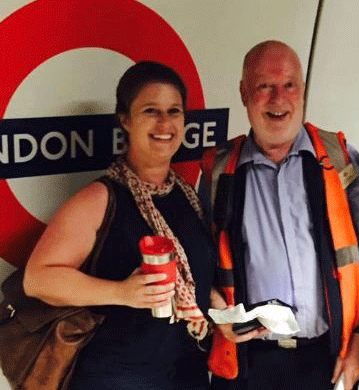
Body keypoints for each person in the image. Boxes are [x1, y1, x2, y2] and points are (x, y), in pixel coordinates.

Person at [200, 40, 359, 390]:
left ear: (302, 90)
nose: (277, 99)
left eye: (288, 85)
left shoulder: (341, 159)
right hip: (248, 364)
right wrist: (215, 309)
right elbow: (202, 261)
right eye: (264, 86)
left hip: (326, 361)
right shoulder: (218, 170)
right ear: (243, 93)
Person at [23, 61, 215, 390]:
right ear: (125, 120)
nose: (165, 123)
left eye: (175, 111)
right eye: (151, 111)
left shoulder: (187, 194)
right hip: (117, 377)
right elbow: (38, 280)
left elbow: (192, 275)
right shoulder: (100, 198)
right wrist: (121, 292)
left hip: (186, 372)